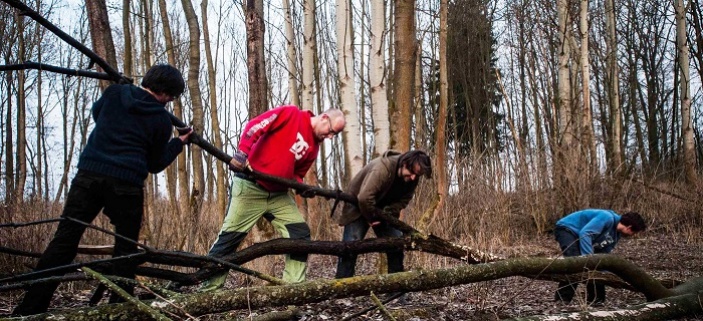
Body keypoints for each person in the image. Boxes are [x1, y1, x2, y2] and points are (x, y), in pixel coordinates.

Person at [12, 64, 191, 316]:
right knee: (125, 249)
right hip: (126, 185)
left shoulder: (114, 94)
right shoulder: (160, 119)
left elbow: (99, 116)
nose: (171, 101)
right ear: (165, 93)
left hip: (88, 176)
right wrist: (178, 143)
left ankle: (30, 308)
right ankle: (119, 309)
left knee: (64, 241)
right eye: (172, 96)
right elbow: (155, 164)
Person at [200, 106, 346, 291]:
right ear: (324, 117)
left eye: (335, 134)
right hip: (249, 188)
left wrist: (303, 189)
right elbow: (255, 126)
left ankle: (292, 290)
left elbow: (297, 176)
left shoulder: (314, 148)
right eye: (332, 131)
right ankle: (208, 289)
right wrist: (243, 152)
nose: (331, 137)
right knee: (229, 239)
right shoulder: (291, 114)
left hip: (278, 196)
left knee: (300, 235)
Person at [335, 150, 432, 279]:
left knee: (396, 244)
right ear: (404, 164)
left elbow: (404, 200)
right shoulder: (382, 168)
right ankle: (341, 288)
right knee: (350, 247)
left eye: (418, 174)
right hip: (357, 206)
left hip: (381, 209)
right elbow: (364, 198)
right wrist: (372, 218)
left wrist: (389, 212)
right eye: (412, 172)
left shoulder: (413, 178)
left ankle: (396, 287)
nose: (414, 177)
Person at [553, 209, 646, 306]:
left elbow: (603, 253)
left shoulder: (616, 235)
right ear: (629, 228)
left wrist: (604, 270)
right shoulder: (607, 218)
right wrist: (589, 259)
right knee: (575, 262)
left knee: (597, 267)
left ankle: (596, 300)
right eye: (634, 233)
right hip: (568, 229)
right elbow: (585, 234)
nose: (632, 236)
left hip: (580, 234)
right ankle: (562, 299)